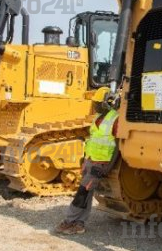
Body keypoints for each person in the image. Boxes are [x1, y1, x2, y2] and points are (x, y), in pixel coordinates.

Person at [55, 87, 119, 235]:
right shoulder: (97, 117)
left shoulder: (115, 119)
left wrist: (108, 168)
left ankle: (69, 220)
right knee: (87, 193)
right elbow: (92, 140)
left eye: (97, 103)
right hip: (90, 161)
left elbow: (118, 146)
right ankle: (79, 224)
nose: (95, 105)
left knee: (82, 193)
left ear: (108, 103)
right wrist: (84, 159)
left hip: (100, 164)